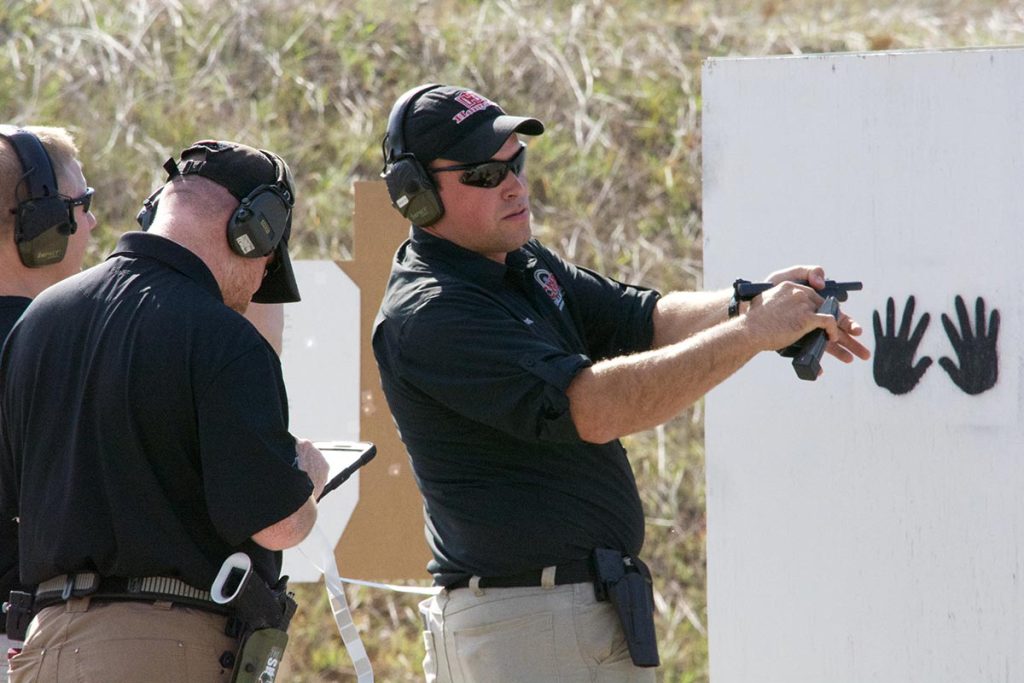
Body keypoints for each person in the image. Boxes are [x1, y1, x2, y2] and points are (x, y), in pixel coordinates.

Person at [373, 84, 872, 682]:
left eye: (516, 163)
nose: (514, 185)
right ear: (416, 194)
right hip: (524, 628)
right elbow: (593, 406)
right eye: (484, 173)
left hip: (571, 614)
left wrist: (748, 306)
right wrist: (751, 333)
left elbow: (645, 318)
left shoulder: (519, 262)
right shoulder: (434, 312)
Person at [0, 140, 329, 683]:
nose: (259, 277)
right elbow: (277, 524)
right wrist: (308, 480)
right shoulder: (225, 339)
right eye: (268, 256)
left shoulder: (37, 323)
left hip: (42, 647)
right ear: (255, 230)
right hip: (162, 648)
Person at [0, 125, 98, 677]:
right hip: (30, 642)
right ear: (42, 223)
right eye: (81, 205)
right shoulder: (64, 347)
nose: (89, 223)